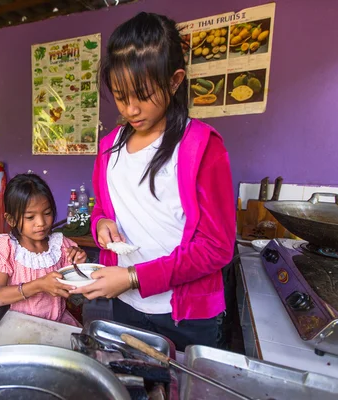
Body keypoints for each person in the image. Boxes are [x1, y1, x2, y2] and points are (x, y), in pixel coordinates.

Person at [70, 12, 235, 351]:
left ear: (174, 81)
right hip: (126, 303)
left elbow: (217, 247)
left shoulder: (201, 145)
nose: (130, 109)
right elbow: (102, 207)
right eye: (119, 95)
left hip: (186, 316)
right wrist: (102, 224)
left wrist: (133, 276)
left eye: (142, 94)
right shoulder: (109, 148)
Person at [0, 173, 87, 326]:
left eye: (47, 213)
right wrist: (39, 285)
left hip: (58, 323)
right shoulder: (6, 247)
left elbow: (77, 291)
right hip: (19, 326)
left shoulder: (60, 245)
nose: (41, 223)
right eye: (30, 217)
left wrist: (80, 265)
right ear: (11, 219)